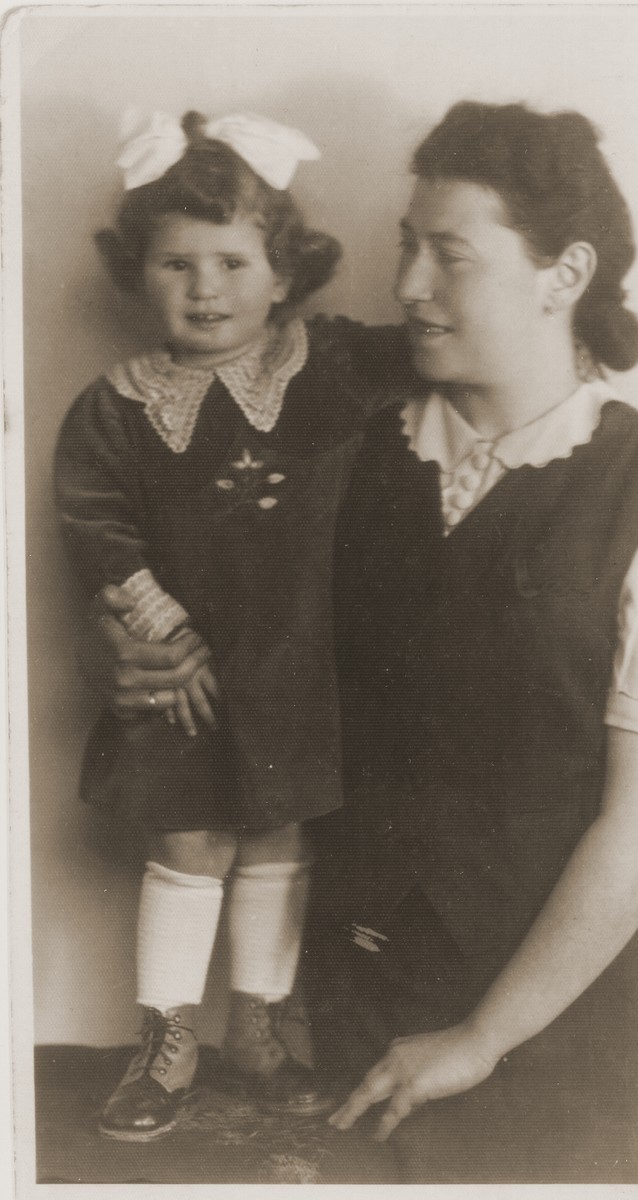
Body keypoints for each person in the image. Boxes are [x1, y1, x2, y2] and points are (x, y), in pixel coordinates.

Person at [81, 100, 638, 1182]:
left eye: (449, 254)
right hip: (339, 1026)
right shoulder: (329, 436)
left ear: (562, 272)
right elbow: (230, 623)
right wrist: (145, 652)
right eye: (404, 247)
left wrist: (482, 1040)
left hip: (562, 1049)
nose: (406, 287)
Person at [54, 108, 412, 1142]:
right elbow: (96, 526)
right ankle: (164, 1044)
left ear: (284, 271)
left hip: (299, 670)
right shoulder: (114, 407)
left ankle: (256, 1030)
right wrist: (162, 631)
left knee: (278, 841)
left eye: (230, 260)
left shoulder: (325, 368)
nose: (204, 288)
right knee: (191, 842)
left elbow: (428, 355)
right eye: (175, 264)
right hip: (187, 675)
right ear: (137, 273)